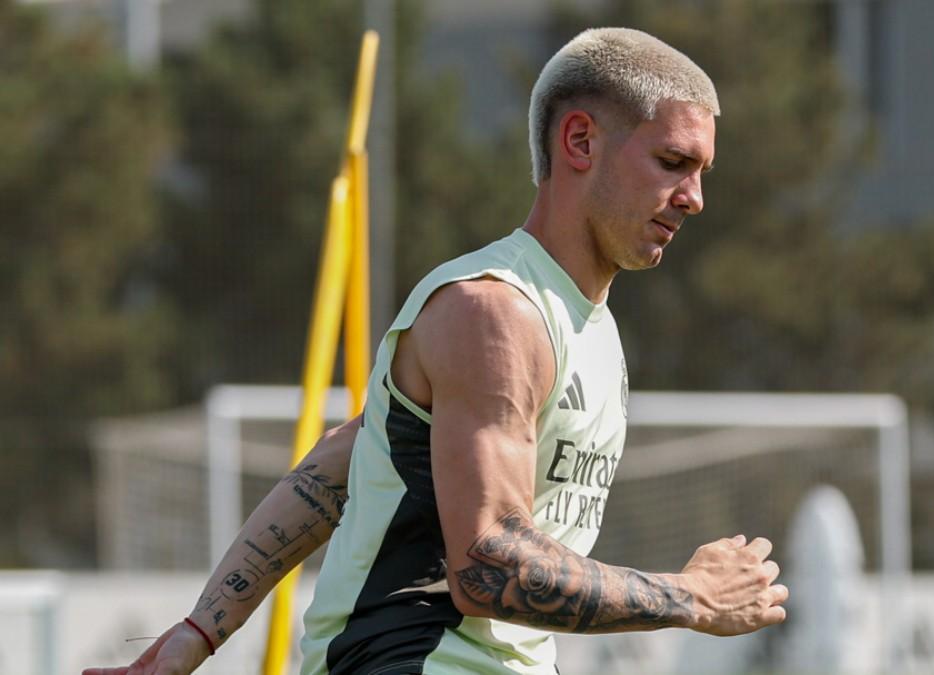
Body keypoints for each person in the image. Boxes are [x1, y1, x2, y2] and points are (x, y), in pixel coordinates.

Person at [85, 27, 787, 675]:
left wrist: (196, 635)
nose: (693, 198)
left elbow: (341, 464)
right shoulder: (494, 311)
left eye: (702, 172)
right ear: (580, 141)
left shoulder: (588, 326)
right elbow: (488, 565)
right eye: (673, 162)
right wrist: (690, 596)